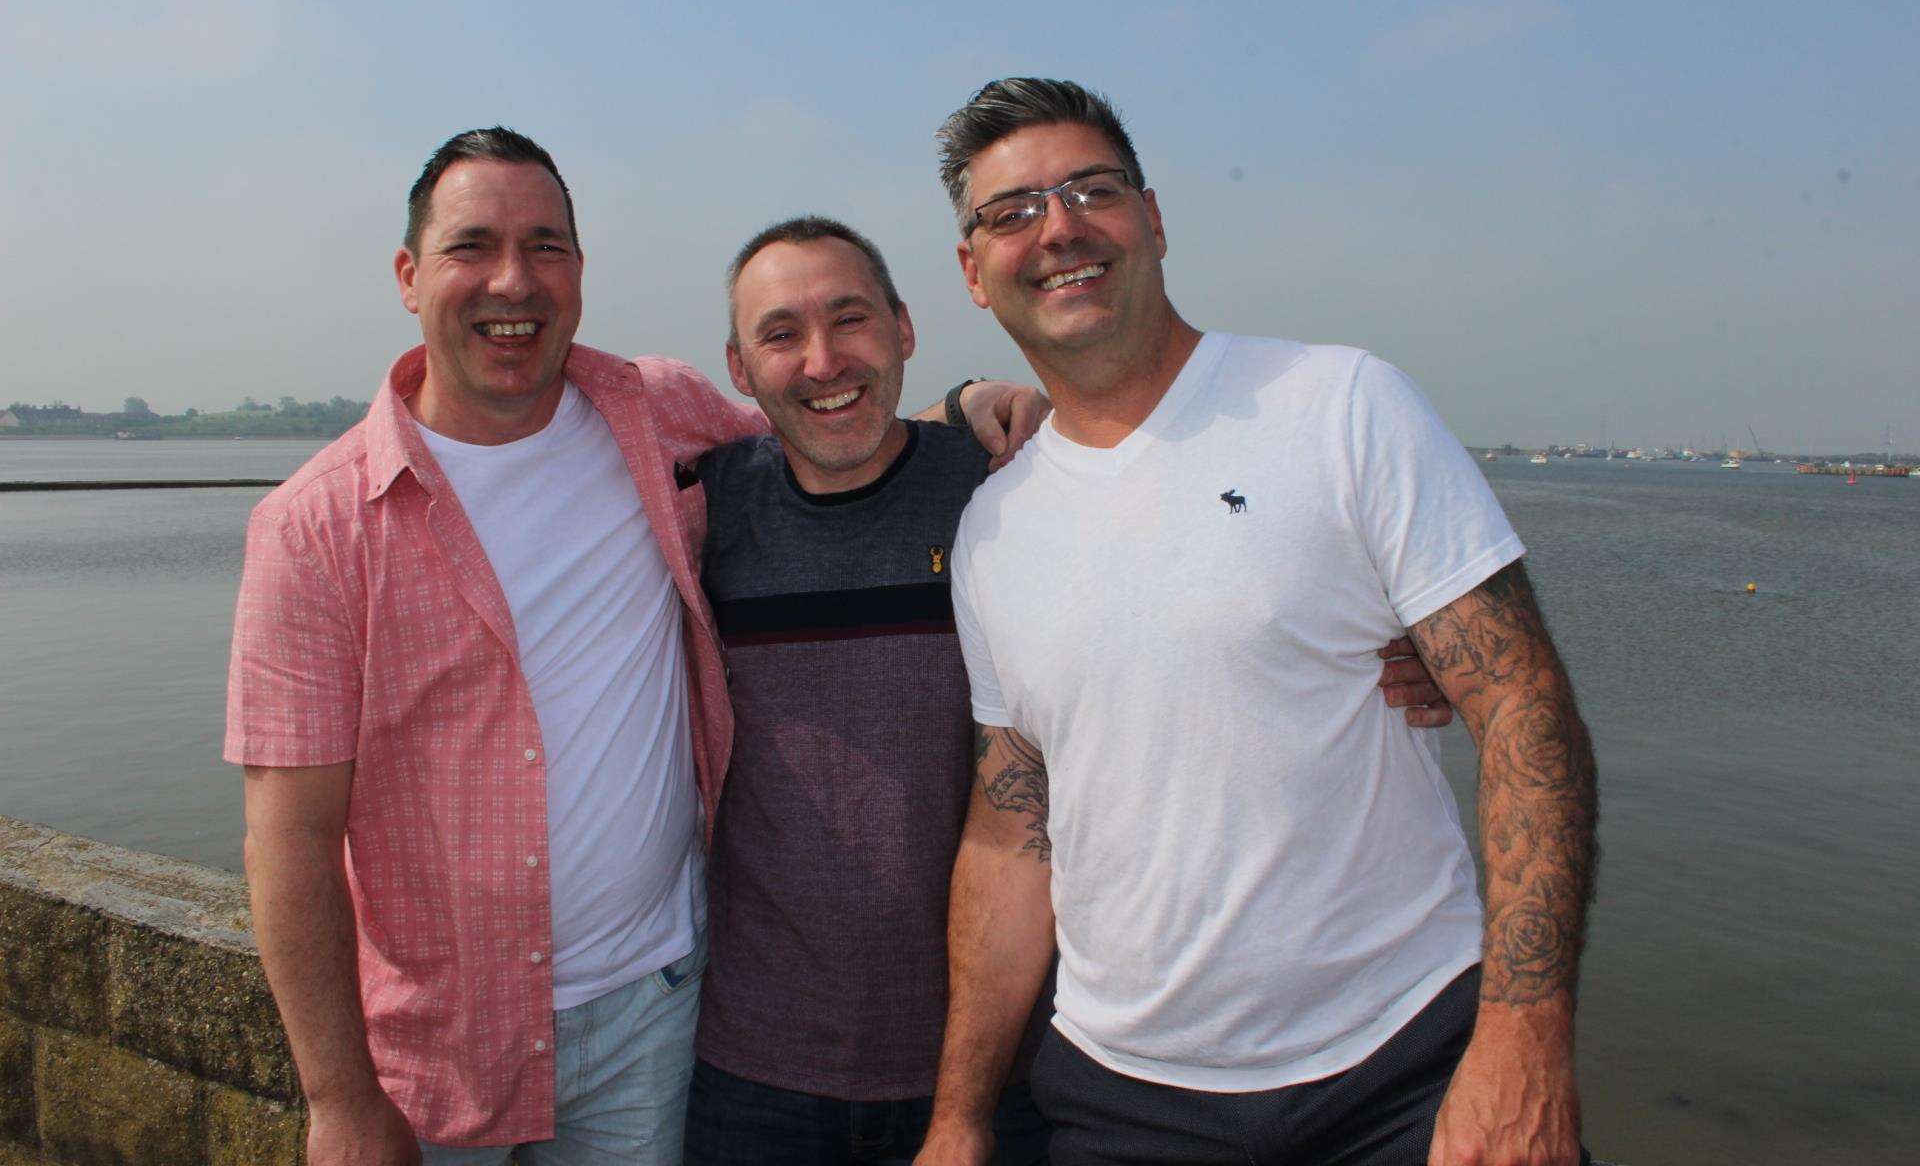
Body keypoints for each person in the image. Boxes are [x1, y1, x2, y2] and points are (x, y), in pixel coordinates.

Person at [226, 129, 1030, 1166]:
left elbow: (826, 418)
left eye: (547, 246)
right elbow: (287, 838)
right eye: (474, 245)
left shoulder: (650, 413)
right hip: (437, 1049)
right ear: (408, 273)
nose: (514, 280)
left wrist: (966, 406)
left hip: (653, 1012)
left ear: (579, 272)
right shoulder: (311, 528)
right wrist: (336, 1093)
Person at [913, 80, 1600, 1166]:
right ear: (972, 271)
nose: (1059, 228)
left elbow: (1521, 704)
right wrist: (959, 1115)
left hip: (1405, 1065)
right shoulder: (992, 530)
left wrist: (1525, 1040)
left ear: (1152, 217)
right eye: (1012, 210)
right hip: (1122, 1097)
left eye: (1091, 189)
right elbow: (1011, 831)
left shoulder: (1341, 405)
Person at [679, 215, 1459, 1165]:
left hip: (1001, 1065)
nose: (822, 360)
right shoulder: (705, 512)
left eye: (850, 320)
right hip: (756, 1070)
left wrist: (1392, 636)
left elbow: (1212, 583)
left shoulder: (1005, 491)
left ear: (905, 329)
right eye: (780, 334)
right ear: (736, 364)